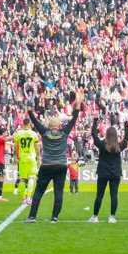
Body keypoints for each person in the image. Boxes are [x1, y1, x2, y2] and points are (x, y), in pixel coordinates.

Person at [23, 93, 82, 223]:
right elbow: (74, 120)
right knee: (58, 192)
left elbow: (35, 121)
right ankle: (54, 217)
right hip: (61, 165)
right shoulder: (63, 132)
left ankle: (32, 216)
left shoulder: (45, 132)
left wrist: (29, 111)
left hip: (47, 165)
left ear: (50, 126)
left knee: (39, 191)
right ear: (59, 126)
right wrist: (77, 105)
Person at [89, 118, 128, 223]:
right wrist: (126, 125)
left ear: (106, 135)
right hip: (115, 173)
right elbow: (126, 139)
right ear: (116, 136)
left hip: (103, 173)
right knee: (114, 195)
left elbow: (94, 135)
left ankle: (95, 217)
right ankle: (112, 217)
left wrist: (95, 121)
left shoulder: (102, 145)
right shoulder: (119, 146)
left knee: (99, 195)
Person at [13, 119, 40, 205]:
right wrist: (38, 156)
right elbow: (36, 147)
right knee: (31, 178)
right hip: (32, 158)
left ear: (23, 124)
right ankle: (29, 198)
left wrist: (15, 156)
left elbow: (15, 147)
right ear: (30, 124)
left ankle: (24, 199)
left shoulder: (18, 134)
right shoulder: (34, 134)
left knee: (22, 179)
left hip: (22, 159)